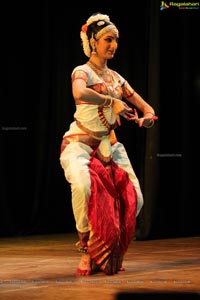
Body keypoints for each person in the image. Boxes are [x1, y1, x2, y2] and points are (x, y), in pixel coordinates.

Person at [60, 12, 158, 276]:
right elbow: (79, 93)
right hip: (80, 144)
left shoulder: (117, 78)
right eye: (107, 39)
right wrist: (110, 102)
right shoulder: (82, 72)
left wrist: (146, 118)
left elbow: (146, 107)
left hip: (109, 147)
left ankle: (104, 250)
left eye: (115, 40)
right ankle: (84, 248)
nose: (113, 45)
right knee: (82, 186)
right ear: (93, 41)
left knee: (135, 199)